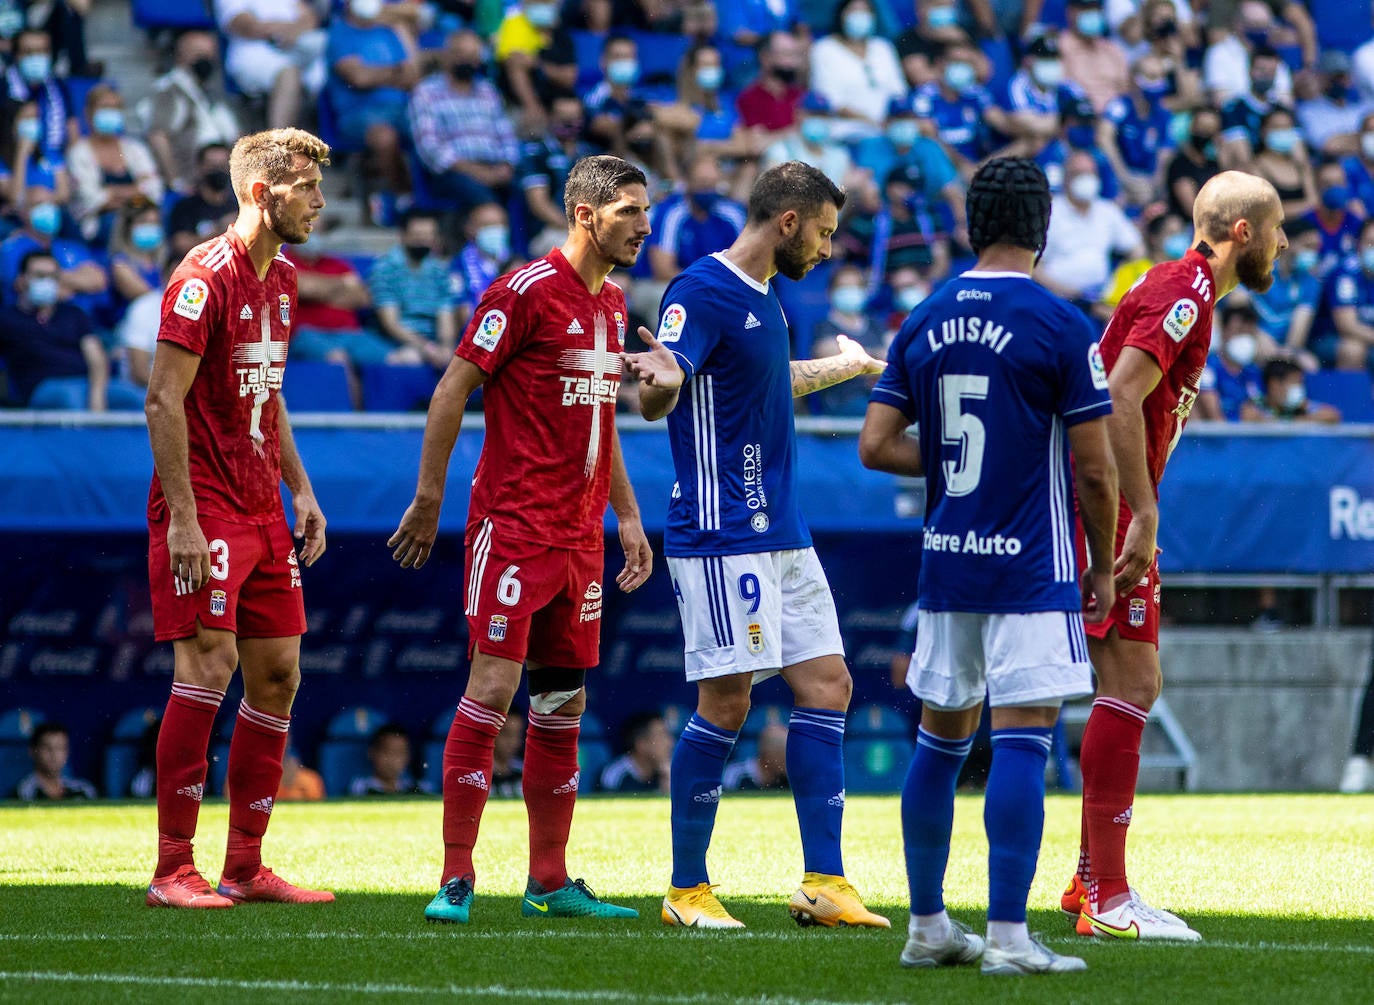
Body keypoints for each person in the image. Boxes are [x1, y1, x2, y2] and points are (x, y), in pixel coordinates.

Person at [858, 155, 1119, 976]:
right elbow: (1097, 470)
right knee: (1023, 738)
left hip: (947, 565)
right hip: (1029, 567)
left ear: (972, 223)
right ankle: (1009, 934)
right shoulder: (1061, 323)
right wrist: (1103, 564)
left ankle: (928, 924)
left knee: (939, 740)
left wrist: (953, 462)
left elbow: (874, 446)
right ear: (1042, 227)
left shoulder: (924, 315)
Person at [622, 160, 888, 932]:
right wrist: (663, 373)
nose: (830, 250)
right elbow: (660, 387)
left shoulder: (766, 299)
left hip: (781, 529)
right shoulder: (701, 291)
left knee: (829, 682)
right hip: (720, 530)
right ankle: (686, 890)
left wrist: (849, 366)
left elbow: (768, 380)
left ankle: (825, 881)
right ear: (789, 222)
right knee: (728, 700)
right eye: (827, 233)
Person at [387, 154, 654, 925]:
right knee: (494, 690)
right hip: (513, 529)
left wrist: (627, 517)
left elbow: (602, 420)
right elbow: (451, 389)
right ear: (585, 214)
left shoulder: (611, 304)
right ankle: (457, 876)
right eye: (629, 211)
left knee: (563, 703)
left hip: (580, 538)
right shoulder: (524, 291)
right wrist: (429, 497)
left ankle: (548, 879)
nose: (642, 225)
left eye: (644, 211)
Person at [1062, 170, 1288, 942]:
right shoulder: (1185, 288)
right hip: (1113, 498)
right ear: (1243, 233)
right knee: (1133, 677)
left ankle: (1091, 879)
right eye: (1279, 228)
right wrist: (1144, 510)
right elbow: (1120, 396)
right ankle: (1110, 896)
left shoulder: (1182, 287)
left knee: (1127, 678)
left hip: (1111, 491)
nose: (1287, 244)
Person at [142, 127, 333, 910]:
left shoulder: (282, 279)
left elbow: (267, 392)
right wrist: (183, 519)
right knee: (207, 667)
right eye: (307, 189)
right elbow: (162, 397)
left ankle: (245, 865)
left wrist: (303, 489)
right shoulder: (203, 277)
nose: (320, 203)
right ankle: (171, 868)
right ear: (262, 192)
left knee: (280, 673)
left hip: (261, 506)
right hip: (206, 506)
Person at [408, 29, 519, 214]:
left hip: (494, 168)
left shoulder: (488, 91)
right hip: (454, 172)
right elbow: (430, 147)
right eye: (461, 54)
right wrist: (478, 172)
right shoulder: (426, 92)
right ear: (447, 56)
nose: (468, 61)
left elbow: (506, 135)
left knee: (533, 189)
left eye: (473, 55)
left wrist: (507, 165)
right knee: (486, 204)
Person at [141, 29, 242, 195]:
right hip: (193, 180)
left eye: (209, 56)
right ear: (180, 56)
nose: (205, 61)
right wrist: (175, 181)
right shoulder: (170, 89)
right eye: (199, 54)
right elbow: (158, 136)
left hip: (223, 177)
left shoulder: (210, 91)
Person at [1240, 357, 1341, 424]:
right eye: (1295, 382)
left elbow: (1332, 415)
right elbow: (1249, 417)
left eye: (1301, 383)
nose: (1300, 388)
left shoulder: (1302, 406)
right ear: (1274, 384)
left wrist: (1298, 416)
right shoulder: (1256, 406)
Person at [13, 722, 98, 800]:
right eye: (46, 747)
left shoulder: (84, 790)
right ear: (32, 751)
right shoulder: (23, 793)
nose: (53, 754)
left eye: (59, 748)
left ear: (67, 752)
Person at [598, 712, 672, 792]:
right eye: (661, 736)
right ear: (641, 744)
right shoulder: (615, 775)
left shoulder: (668, 772)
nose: (670, 743)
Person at [349, 724, 432, 795]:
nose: (393, 759)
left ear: (408, 757)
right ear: (372, 753)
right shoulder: (359, 788)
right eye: (387, 752)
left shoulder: (418, 788)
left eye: (399, 753)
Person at [723, 722, 789, 790]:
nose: (788, 763)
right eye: (783, 757)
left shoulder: (789, 778)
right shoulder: (736, 774)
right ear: (768, 754)